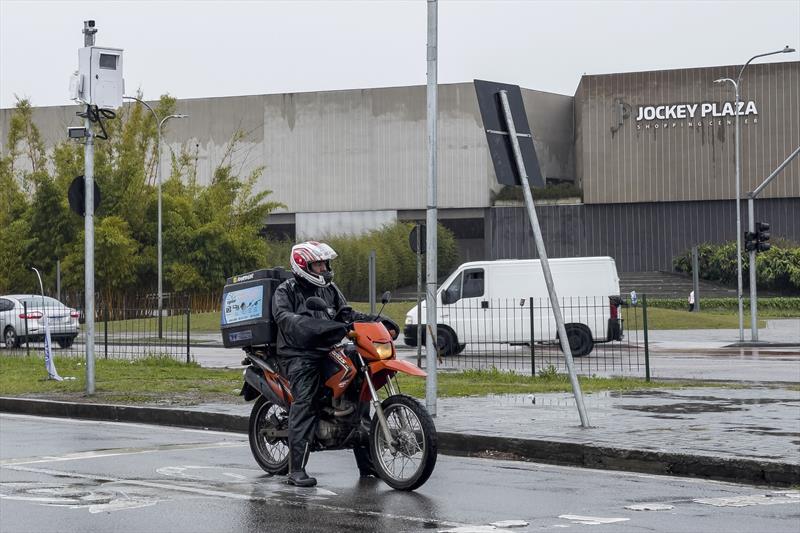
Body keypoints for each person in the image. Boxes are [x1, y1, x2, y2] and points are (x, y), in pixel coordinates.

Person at [271, 241, 375, 487]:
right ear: (302, 266)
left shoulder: (329, 289)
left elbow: (346, 314)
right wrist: (320, 327)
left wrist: (375, 320)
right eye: (318, 265)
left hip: (327, 349)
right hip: (298, 354)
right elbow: (288, 320)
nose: (323, 269)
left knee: (359, 387)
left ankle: (368, 464)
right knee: (305, 401)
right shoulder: (286, 291)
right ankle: (296, 469)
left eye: (325, 264)